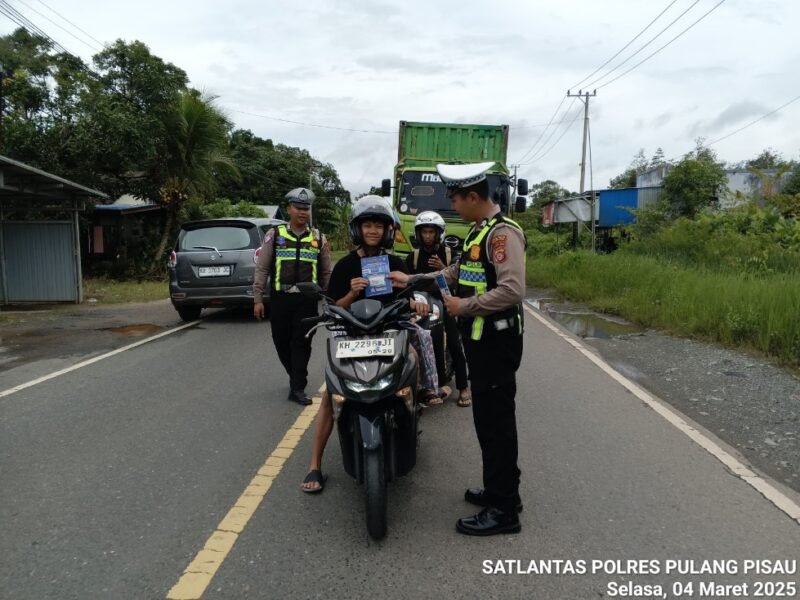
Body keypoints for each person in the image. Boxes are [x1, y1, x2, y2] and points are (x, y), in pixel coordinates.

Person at [389, 161, 526, 536]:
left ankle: (504, 512)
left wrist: (463, 307)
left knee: (497, 425)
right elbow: (456, 274)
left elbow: (513, 290)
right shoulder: (477, 233)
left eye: (454, 196)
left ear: (472, 196)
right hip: (481, 342)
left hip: (497, 343)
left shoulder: (502, 235)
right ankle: (502, 492)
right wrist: (413, 278)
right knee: (488, 422)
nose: (451, 202)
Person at [301, 195, 433, 493]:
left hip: (388, 332)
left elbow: (407, 296)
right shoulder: (346, 265)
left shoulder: (396, 262)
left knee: (413, 358)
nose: (372, 231)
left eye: (378, 225)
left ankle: (415, 408)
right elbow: (335, 306)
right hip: (351, 333)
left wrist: (417, 302)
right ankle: (314, 465)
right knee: (330, 396)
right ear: (357, 229)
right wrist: (351, 292)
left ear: (387, 230)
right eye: (367, 225)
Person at [253, 187, 332, 406]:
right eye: (298, 207)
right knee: (281, 342)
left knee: (302, 344)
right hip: (281, 299)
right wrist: (258, 298)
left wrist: (329, 300)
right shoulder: (274, 235)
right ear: (289, 209)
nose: (302, 212)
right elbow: (262, 268)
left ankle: (297, 387)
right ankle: (294, 375)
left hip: (307, 301)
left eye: (306, 208)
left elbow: (326, 272)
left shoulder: (318, 238)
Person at [406, 211, 470, 407]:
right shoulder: (413, 257)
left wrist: (443, 266)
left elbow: (454, 284)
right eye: (424, 232)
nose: (427, 236)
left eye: (431, 232)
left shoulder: (450, 255)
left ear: (439, 233)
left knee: (454, 341)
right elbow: (406, 285)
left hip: (444, 301)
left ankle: (463, 387)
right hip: (419, 303)